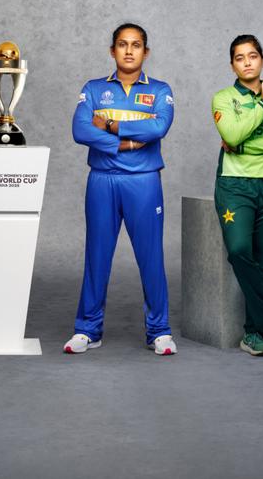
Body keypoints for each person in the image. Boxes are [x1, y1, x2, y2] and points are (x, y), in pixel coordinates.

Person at [64, 24, 177, 356]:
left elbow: (159, 127)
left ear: (146, 52)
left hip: (143, 182)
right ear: (112, 51)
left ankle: (159, 331)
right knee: (96, 256)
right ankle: (87, 329)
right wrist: (125, 143)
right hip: (102, 180)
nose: (129, 51)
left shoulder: (160, 90)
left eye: (136, 45)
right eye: (123, 45)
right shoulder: (94, 88)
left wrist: (111, 125)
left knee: (151, 257)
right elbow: (80, 130)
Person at [211, 34, 263, 356]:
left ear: (261, 59)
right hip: (234, 184)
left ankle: (252, 333)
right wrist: (262, 103)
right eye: (239, 58)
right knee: (239, 250)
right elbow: (230, 133)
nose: (247, 62)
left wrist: (244, 146)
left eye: (253, 56)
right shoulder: (223, 98)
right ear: (232, 65)